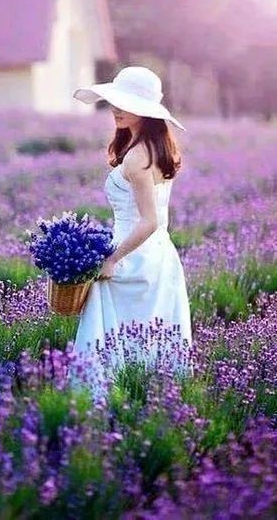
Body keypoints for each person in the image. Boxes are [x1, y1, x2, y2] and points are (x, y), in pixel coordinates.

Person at [68, 66, 193, 398]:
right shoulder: (156, 149)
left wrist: (111, 259)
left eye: (126, 104)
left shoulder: (137, 157)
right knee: (151, 334)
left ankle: (108, 404)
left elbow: (149, 220)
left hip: (133, 254)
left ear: (146, 112)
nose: (116, 110)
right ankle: (146, 398)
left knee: (114, 335)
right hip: (159, 255)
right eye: (115, 102)